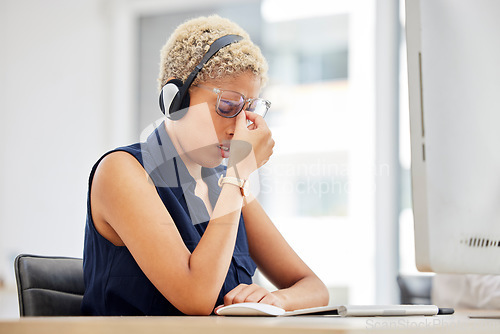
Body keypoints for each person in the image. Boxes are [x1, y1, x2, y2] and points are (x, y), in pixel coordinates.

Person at [81, 15, 329, 316]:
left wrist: (278, 300)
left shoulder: (227, 184)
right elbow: (195, 297)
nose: (240, 128)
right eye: (227, 105)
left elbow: (313, 287)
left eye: (250, 109)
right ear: (176, 99)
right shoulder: (121, 171)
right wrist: (239, 173)